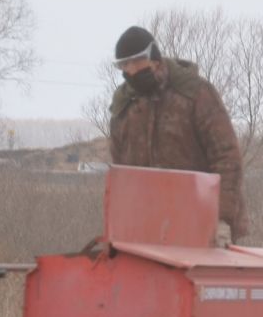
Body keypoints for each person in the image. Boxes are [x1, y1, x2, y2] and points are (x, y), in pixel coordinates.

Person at [107, 25, 251, 245]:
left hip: (201, 223)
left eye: (136, 61)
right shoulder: (124, 107)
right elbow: (122, 174)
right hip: (146, 228)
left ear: (154, 57)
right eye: (124, 64)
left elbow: (227, 158)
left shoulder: (195, 94)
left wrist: (221, 220)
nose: (131, 70)